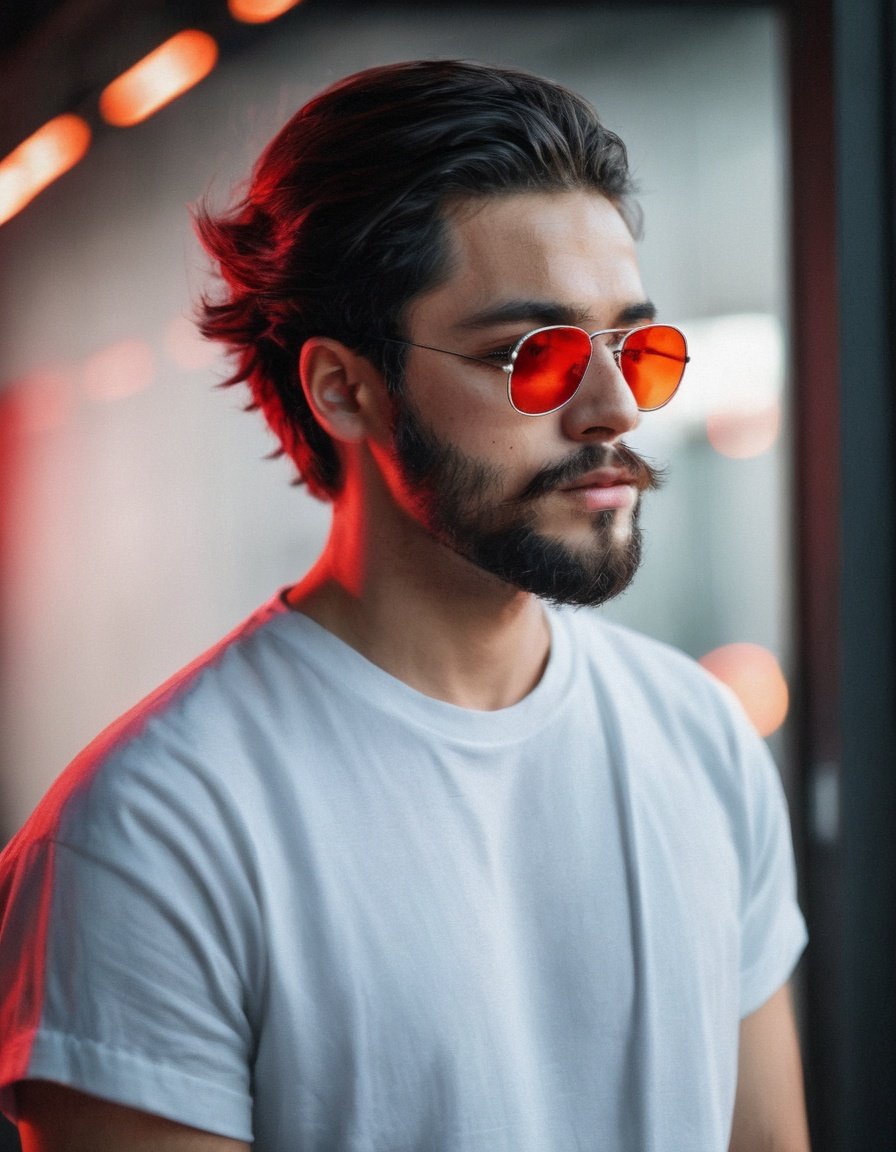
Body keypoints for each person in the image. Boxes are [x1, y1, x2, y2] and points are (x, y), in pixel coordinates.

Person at [0, 60, 809, 1152]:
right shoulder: (148, 834)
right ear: (344, 388)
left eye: (631, 343)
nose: (614, 407)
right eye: (535, 356)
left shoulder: (699, 738)